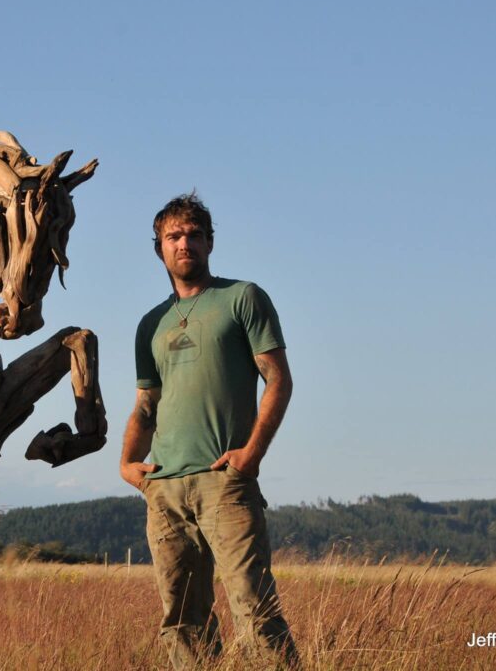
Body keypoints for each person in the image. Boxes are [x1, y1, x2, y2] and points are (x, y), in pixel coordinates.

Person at [120, 192, 300, 670]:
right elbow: (146, 403)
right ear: (158, 247)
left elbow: (278, 379)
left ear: (210, 243)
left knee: (255, 610)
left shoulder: (241, 298)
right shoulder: (149, 325)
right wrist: (127, 464)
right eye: (174, 236)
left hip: (225, 481)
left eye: (195, 235)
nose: (185, 244)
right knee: (181, 621)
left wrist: (252, 453)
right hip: (165, 487)